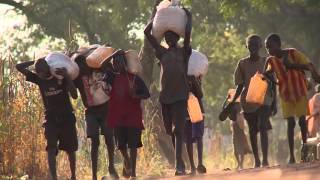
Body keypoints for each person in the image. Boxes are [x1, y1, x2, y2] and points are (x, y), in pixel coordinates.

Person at [144, 7, 192, 175]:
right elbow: (146, 33)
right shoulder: (161, 53)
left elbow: (188, 34)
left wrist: (189, 17)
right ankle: (180, 160)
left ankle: (180, 165)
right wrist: (156, 15)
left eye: (172, 36)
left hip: (180, 96)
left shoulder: (184, 52)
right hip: (165, 98)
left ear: (177, 38)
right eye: (167, 37)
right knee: (170, 130)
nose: (169, 38)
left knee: (178, 130)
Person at [16, 58, 78, 180]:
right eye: (38, 71)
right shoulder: (39, 79)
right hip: (50, 118)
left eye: (42, 70)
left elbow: (75, 95)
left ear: (48, 68)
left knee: (70, 149)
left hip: (67, 117)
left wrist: (67, 77)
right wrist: (33, 61)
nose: (40, 73)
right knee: (51, 148)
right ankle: (54, 177)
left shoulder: (59, 77)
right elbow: (19, 66)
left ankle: (73, 176)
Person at [264, 33, 320, 163]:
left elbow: (308, 65)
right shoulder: (271, 60)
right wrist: (266, 76)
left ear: (278, 45)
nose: (269, 50)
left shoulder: (293, 53)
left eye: (270, 47)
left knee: (302, 121)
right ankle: (292, 156)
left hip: (300, 91)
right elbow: (267, 74)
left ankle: (305, 151)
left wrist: (291, 65)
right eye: (267, 48)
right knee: (290, 123)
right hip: (285, 94)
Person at [72, 48, 118, 180]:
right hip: (91, 112)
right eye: (78, 66)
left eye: (83, 64)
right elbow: (73, 94)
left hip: (106, 109)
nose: (81, 68)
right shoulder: (77, 79)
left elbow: (108, 67)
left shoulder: (99, 70)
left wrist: (111, 53)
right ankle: (93, 175)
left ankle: (111, 167)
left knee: (109, 137)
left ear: (87, 63)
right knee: (95, 142)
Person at [231, 35, 276, 168]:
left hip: (265, 100)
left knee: (263, 127)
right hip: (248, 102)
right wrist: (232, 102)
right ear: (247, 47)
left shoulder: (266, 62)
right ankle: (257, 159)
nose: (253, 47)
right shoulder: (242, 64)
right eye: (250, 45)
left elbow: (273, 84)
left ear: (260, 46)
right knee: (252, 130)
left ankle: (265, 159)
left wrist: (275, 103)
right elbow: (239, 85)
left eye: (256, 44)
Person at [105, 50, 150, 178]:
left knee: (133, 145)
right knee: (121, 145)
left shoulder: (135, 78)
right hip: (118, 117)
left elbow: (147, 94)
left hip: (133, 117)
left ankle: (134, 173)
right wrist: (112, 55)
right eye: (114, 63)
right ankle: (127, 161)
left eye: (118, 63)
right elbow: (103, 66)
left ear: (124, 64)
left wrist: (136, 95)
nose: (115, 65)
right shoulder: (112, 77)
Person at [184, 76, 206, 175]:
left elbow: (200, 95)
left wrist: (193, 79)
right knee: (188, 139)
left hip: (197, 111)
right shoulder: (179, 76)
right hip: (185, 112)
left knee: (199, 137)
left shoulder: (196, 78)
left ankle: (200, 164)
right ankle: (192, 166)